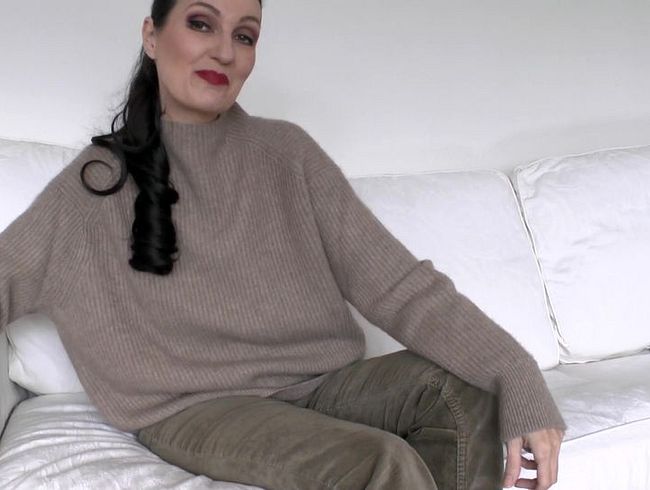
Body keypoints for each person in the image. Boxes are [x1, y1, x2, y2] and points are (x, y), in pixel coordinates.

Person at [0, 0, 565, 488]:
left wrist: (518, 374)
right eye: (201, 24)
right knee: (377, 460)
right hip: (196, 410)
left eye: (245, 35)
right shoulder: (96, 185)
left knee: (462, 392)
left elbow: (400, 287)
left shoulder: (287, 154)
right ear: (152, 36)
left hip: (325, 385)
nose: (225, 51)